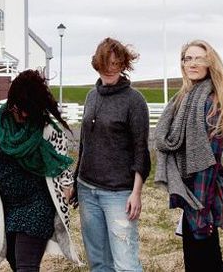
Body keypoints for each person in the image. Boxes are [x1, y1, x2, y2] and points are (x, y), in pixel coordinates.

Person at [0, 69, 82, 271]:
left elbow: (61, 162)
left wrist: (66, 187)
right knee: (14, 260)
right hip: (9, 207)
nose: (26, 114)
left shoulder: (46, 129)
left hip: (37, 204)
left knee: (26, 266)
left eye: (30, 109)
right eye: (21, 109)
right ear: (12, 103)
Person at [69, 37, 150, 271]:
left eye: (115, 64)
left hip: (119, 194)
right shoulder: (91, 97)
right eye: (106, 65)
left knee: (125, 263)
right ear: (97, 64)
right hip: (87, 190)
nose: (110, 70)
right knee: (98, 262)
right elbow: (85, 144)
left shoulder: (134, 101)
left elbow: (140, 151)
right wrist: (76, 181)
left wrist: (136, 193)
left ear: (123, 65)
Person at [155, 40, 223, 271]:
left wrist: (200, 211)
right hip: (190, 192)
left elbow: (209, 162)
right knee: (199, 261)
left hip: (202, 196)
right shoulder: (185, 98)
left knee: (206, 262)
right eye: (187, 58)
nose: (192, 63)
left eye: (198, 58)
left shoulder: (211, 102)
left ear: (210, 62)